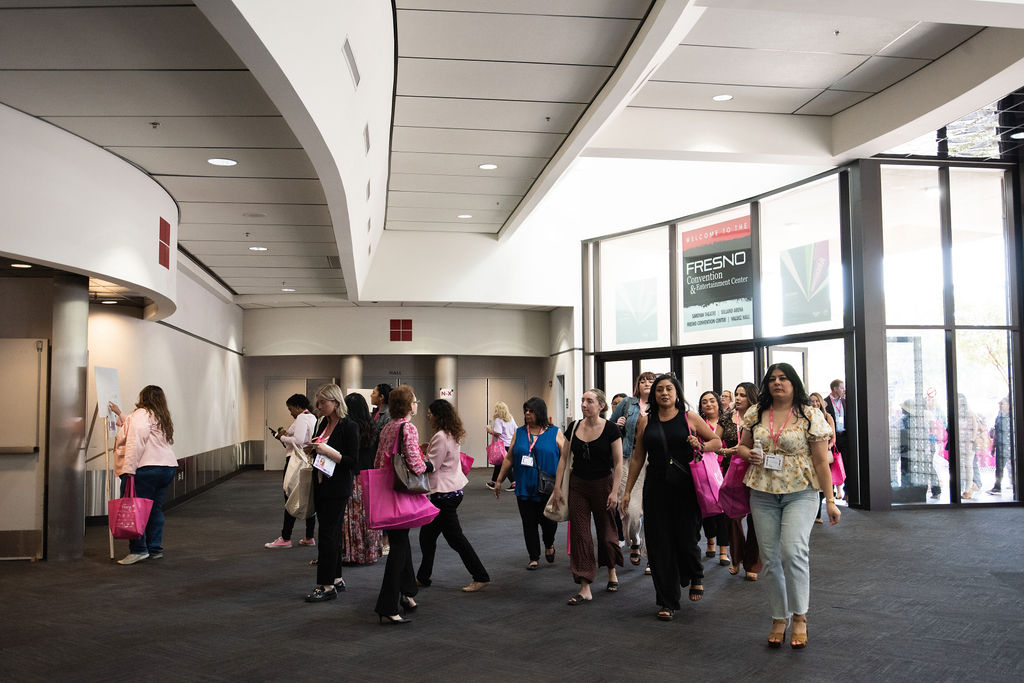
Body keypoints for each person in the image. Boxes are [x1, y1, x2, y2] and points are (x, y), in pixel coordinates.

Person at [736, 363, 840, 649]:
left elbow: (821, 461)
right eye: (772, 379)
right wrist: (748, 453)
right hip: (763, 492)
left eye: (783, 378)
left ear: (794, 383)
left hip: (801, 492)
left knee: (793, 551)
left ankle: (800, 616)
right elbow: (742, 446)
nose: (777, 383)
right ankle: (779, 618)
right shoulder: (756, 413)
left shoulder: (810, 414)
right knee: (769, 559)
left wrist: (831, 501)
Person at [621, 374, 721, 621]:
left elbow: (716, 442)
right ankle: (667, 600)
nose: (664, 393)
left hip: (686, 485)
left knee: (686, 538)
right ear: (654, 396)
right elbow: (638, 457)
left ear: (677, 393)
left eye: (669, 389)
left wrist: (700, 445)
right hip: (656, 487)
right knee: (659, 543)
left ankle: (695, 572)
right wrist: (627, 491)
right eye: (659, 390)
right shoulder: (646, 421)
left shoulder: (690, 418)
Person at [550, 389, 623, 605]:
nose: (584, 404)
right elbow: (564, 459)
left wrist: (614, 491)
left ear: (601, 406)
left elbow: (618, 463)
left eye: (589, 401)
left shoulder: (611, 429)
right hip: (578, 486)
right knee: (580, 535)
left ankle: (611, 570)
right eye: (582, 400)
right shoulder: (573, 427)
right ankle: (585, 586)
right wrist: (557, 488)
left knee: (607, 534)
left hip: (603, 485)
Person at [416, 399, 491, 592]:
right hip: (451, 491)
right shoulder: (451, 434)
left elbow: (432, 466)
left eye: (430, 414)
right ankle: (423, 576)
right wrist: (426, 452)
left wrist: (414, 459)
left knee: (455, 539)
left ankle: (481, 576)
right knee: (427, 537)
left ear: (438, 416)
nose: (429, 417)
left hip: (444, 494)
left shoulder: (440, 436)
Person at [374, 385, 429, 624]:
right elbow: (415, 463)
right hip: (402, 491)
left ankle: (407, 593)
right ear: (408, 405)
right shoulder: (409, 428)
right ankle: (387, 605)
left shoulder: (388, 426)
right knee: (398, 547)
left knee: (401, 540)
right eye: (414, 401)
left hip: (388, 488)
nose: (416, 404)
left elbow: (378, 459)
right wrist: (428, 466)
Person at [109, 386, 179, 565]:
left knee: (136, 509)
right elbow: (135, 427)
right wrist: (120, 413)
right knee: (155, 509)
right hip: (167, 467)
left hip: (148, 468)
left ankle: (139, 549)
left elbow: (136, 441)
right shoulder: (161, 415)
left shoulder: (142, 413)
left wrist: (129, 469)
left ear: (143, 397)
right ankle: (154, 548)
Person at [493, 397, 565, 570]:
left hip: (547, 487)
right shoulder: (519, 432)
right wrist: (499, 480)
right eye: (525, 410)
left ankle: (549, 543)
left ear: (540, 412)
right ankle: (533, 557)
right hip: (525, 486)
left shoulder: (554, 432)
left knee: (549, 523)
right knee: (529, 523)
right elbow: (509, 458)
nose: (527, 414)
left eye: (531, 411)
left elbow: (566, 457)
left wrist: (562, 484)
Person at [303, 384, 360, 603]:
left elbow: (352, 461)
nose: (319, 406)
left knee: (327, 534)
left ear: (336, 402)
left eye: (323, 402)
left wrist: (328, 452)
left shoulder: (349, 426)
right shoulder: (322, 424)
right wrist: (313, 449)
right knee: (332, 534)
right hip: (321, 483)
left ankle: (326, 585)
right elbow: (319, 448)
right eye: (318, 402)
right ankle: (336, 578)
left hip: (337, 487)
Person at [609, 371, 655, 569]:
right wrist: (616, 424)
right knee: (629, 510)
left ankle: (650, 553)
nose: (646, 383)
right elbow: (608, 428)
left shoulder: (660, 406)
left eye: (651, 380)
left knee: (651, 510)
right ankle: (635, 540)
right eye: (642, 381)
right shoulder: (627, 404)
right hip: (628, 459)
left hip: (652, 461)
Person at [718, 382, 761, 581]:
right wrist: (728, 451)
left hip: (756, 471)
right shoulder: (726, 418)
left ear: (752, 397)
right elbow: (715, 443)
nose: (738, 398)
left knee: (756, 518)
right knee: (733, 517)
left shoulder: (760, 418)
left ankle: (751, 562)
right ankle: (736, 557)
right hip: (731, 470)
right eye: (736, 394)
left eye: (742, 395)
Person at [265, 394, 318, 549]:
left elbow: (299, 441)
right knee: (309, 497)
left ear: (297, 406)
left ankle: (285, 537)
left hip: (295, 462)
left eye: (290, 409)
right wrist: (288, 435)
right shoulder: (312, 417)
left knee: (289, 496)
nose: (290, 413)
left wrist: (281, 437)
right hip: (308, 461)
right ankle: (309, 536)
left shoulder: (301, 418)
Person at [341, 392, 382, 565]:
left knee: (351, 516)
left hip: (353, 476)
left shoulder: (347, 428)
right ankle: (370, 551)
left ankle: (353, 552)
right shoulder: (373, 427)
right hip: (370, 477)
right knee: (368, 516)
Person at [697, 390, 730, 565]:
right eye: (704, 402)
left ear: (718, 403)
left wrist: (724, 452)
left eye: (712, 401)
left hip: (724, 470)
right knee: (708, 507)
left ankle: (723, 550)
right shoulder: (698, 424)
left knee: (723, 511)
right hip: (705, 470)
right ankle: (710, 541)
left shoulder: (727, 422)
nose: (708, 404)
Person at [809, 392, 837, 523]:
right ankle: (815, 513)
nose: (815, 404)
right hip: (811, 456)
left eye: (817, 401)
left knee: (823, 481)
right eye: (812, 401)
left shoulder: (827, 417)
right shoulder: (807, 416)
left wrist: (827, 447)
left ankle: (818, 514)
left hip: (824, 455)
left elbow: (833, 437)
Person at [824, 379, 851, 501]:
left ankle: (847, 492)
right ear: (835, 389)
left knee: (846, 463)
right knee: (830, 464)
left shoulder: (845, 402)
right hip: (831, 439)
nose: (843, 390)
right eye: (841, 388)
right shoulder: (825, 403)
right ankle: (831, 493)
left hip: (844, 436)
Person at [485, 401, 517, 490]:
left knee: (505, 464)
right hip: (510, 444)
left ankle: (514, 483)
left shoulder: (498, 420)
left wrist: (490, 431)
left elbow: (498, 433)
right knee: (499, 464)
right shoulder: (511, 418)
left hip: (502, 445)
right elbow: (516, 429)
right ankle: (493, 482)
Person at [988, 397, 1013, 495]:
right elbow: (996, 432)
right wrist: (993, 446)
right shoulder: (999, 416)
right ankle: (997, 487)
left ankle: (1013, 483)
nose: (1000, 406)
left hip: (1009, 445)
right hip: (1000, 445)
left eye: (1002, 404)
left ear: (1008, 405)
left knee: (1011, 466)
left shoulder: (1011, 416)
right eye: (1000, 404)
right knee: (999, 467)